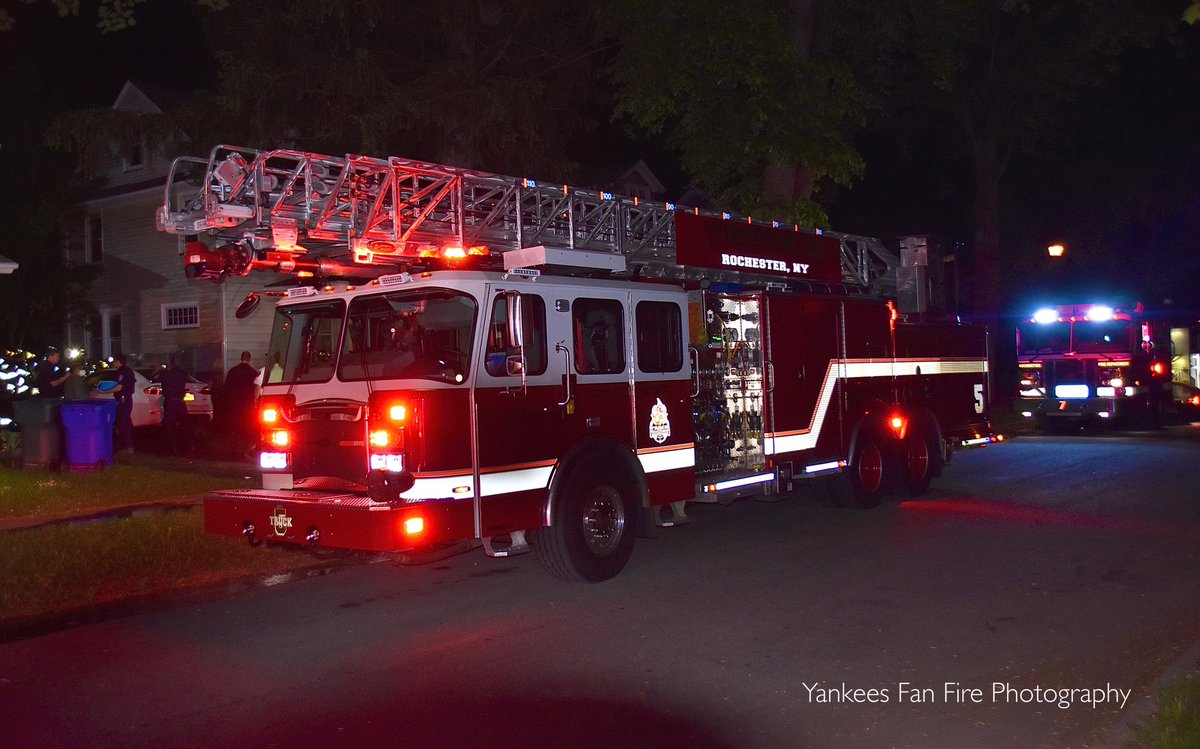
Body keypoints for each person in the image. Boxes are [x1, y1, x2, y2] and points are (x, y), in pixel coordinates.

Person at [224, 351, 259, 454]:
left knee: (234, 426)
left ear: (241, 358)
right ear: (249, 359)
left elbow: (227, 388)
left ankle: (233, 446)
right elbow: (255, 389)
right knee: (248, 425)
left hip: (234, 404)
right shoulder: (253, 373)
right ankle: (248, 446)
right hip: (247, 405)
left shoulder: (232, 371)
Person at [155, 358, 190, 454]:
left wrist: (159, 369)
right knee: (184, 425)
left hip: (170, 402)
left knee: (170, 426)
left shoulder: (165, 374)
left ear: (171, 364)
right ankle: (187, 446)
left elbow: (154, 378)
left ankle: (172, 448)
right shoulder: (183, 374)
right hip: (181, 402)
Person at [110, 353, 137, 452]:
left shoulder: (122, 372)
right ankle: (128, 443)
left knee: (122, 422)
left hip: (123, 399)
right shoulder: (127, 370)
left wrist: (103, 391)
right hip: (126, 399)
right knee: (125, 421)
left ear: (118, 361)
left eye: (114, 360)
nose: (113, 362)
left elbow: (119, 387)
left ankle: (127, 445)